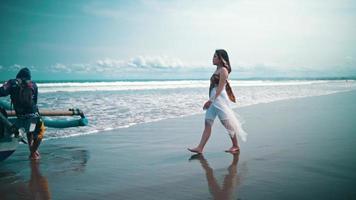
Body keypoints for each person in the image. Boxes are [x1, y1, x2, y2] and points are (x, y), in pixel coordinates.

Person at [188, 49, 247, 154]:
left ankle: (235, 145)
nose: (213, 58)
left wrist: (210, 101)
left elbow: (219, 89)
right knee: (207, 123)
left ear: (221, 59)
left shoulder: (223, 70)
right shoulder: (217, 70)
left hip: (219, 100)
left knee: (227, 123)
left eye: (215, 56)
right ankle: (200, 148)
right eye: (213, 56)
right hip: (213, 100)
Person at [0, 67, 45, 160]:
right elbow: (35, 101)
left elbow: (1, 92)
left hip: (20, 117)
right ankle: (33, 152)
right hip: (33, 117)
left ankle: (32, 151)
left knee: (29, 130)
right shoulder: (33, 85)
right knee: (39, 131)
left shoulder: (12, 82)